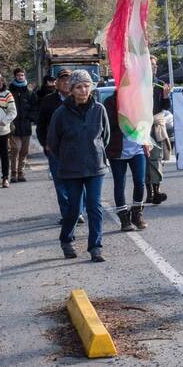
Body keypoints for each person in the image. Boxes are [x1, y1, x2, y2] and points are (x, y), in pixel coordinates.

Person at [46, 70, 110, 261]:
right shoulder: (61, 113)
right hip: (71, 168)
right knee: (74, 208)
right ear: (71, 90)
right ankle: (66, 239)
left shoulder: (99, 109)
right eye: (79, 87)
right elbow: (53, 142)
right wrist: (68, 155)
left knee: (94, 206)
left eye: (86, 86)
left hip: (95, 166)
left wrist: (95, 150)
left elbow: (104, 137)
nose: (83, 90)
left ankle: (95, 247)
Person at [37, 67, 84, 227]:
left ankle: (78, 212)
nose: (65, 82)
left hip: (77, 148)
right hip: (56, 149)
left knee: (79, 180)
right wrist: (46, 144)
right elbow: (41, 125)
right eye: (62, 79)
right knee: (60, 182)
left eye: (68, 79)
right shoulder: (48, 101)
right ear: (56, 83)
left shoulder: (80, 98)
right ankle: (67, 213)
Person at [104, 89, 150, 232]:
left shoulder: (138, 102)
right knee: (120, 183)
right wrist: (123, 113)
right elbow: (108, 126)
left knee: (140, 182)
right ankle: (124, 218)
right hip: (117, 150)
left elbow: (145, 122)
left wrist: (145, 140)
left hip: (136, 148)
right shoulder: (110, 102)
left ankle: (137, 214)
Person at [146, 55, 171, 204]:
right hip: (141, 126)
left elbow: (166, 107)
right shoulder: (137, 84)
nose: (153, 68)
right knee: (143, 159)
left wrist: (166, 96)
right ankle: (148, 192)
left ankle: (157, 190)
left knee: (156, 158)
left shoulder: (160, 84)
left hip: (156, 124)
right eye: (150, 65)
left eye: (155, 66)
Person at [7, 66, 33, 181]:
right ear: (15, 76)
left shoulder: (29, 91)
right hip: (14, 125)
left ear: (24, 76)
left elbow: (34, 107)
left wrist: (31, 117)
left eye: (22, 75)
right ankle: (13, 173)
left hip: (26, 125)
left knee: (24, 150)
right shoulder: (10, 91)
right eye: (18, 75)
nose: (20, 77)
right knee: (15, 149)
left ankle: (21, 173)